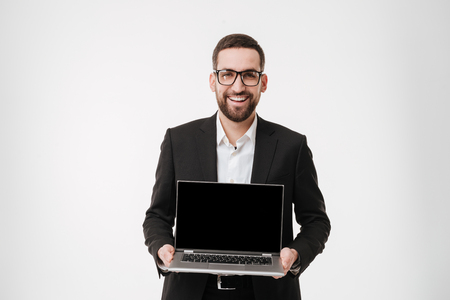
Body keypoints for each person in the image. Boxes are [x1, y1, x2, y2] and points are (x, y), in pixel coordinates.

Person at [143, 33, 331, 300]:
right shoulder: (178, 141)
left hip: (266, 292)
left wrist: (295, 254)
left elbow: (316, 221)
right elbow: (157, 217)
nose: (238, 86)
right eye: (227, 74)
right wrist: (162, 247)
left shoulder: (292, 146)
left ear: (263, 82)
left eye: (249, 75)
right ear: (213, 81)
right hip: (191, 291)